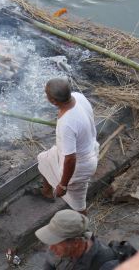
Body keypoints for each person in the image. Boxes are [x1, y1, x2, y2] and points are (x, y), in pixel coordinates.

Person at [37, 78, 99, 214]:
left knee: (78, 205)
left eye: (46, 94)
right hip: (84, 148)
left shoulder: (67, 124)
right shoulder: (79, 97)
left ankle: (85, 232)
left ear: (53, 101)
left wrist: (63, 185)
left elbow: (71, 159)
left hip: (80, 166)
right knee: (44, 158)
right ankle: (46, 191)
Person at [35, 209, 118, 270]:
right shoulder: (57, 248)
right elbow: (50, 263)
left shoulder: (104, 263)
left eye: (56, 243)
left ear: (76, 242)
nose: (51, 248)